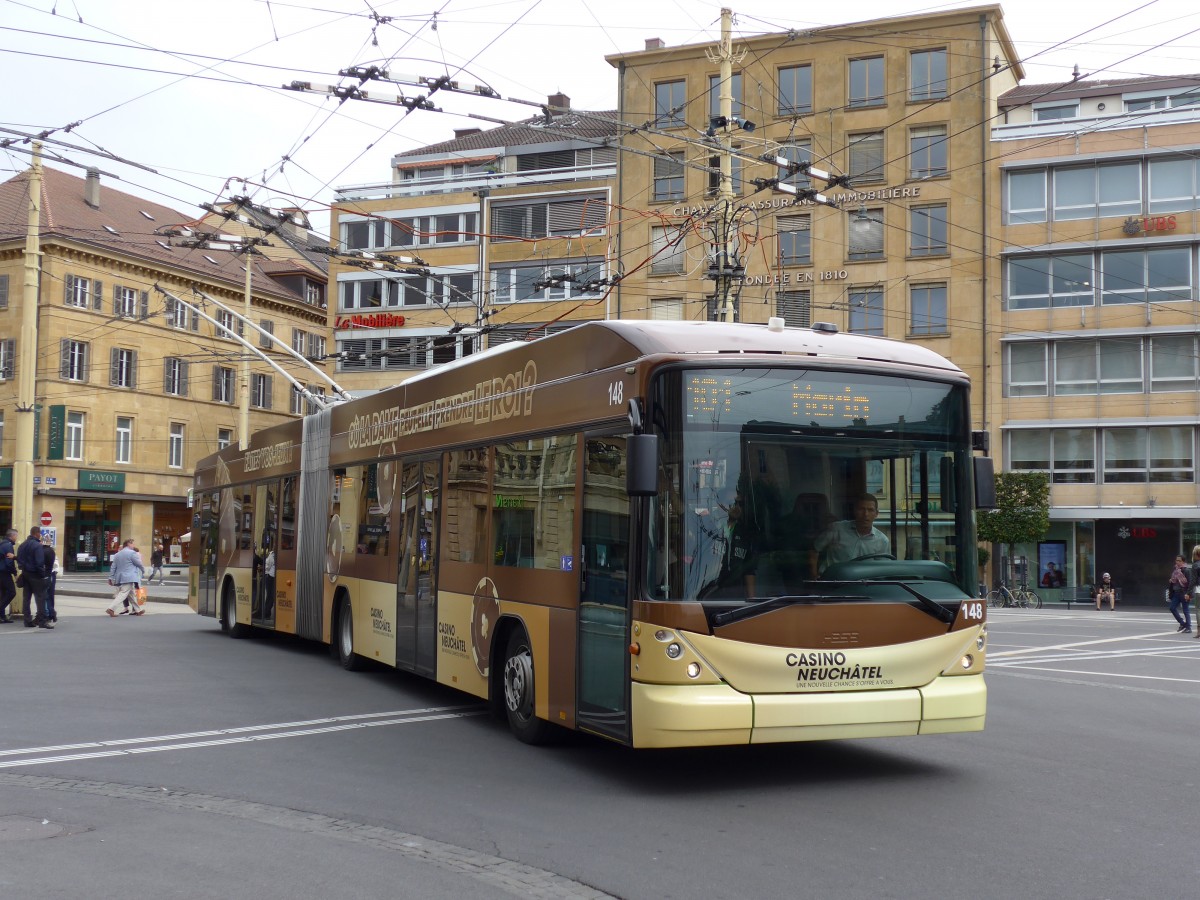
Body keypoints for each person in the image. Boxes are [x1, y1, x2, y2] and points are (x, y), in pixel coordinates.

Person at [811, 493, 891, 575]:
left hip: (864, 583)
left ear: (876, 514)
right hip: (832, 581)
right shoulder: (836, 529)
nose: (865, 514)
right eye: (861, 509)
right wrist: (814, 577)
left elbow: (882, 570)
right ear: (855, 510)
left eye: (870, 510)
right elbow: (814, 550)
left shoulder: (882, 541)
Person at [16, 526, 52, 629]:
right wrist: (42, 575)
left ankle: (27, 621)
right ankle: (42, 621)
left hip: (25, 573)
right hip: (35, 575)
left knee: (26, 598)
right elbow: (39, 563)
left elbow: (19, 560)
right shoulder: (37, 546)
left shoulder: (22, 545)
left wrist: (23, 569)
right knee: (40, 598)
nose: (40, 535)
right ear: (37, 534)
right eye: (39, 533)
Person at [106, 538, 145, 617]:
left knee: (131, 594)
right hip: (129, 576)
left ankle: (138, 610)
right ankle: (111, 609)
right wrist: (143, 570)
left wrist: (111, 577)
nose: (134, 545)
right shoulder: (132, 553)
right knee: (123, 593)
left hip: (120, 577)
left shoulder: (118, 554)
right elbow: (139, 563)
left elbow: (113, 567)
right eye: (133, 544)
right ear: (128, 544)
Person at [0, 528, 17, 623]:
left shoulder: (2, 544)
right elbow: (9, 562)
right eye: (16, 536)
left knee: (3, 594)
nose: (16, 538)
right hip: (4, 573)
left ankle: (2, 616)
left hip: (1, 572)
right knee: (11, 592)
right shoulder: (8, 546)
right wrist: (14, 573)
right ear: (12, 536)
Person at [42, 541, 59, 626]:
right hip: (51, 574)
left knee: (45, 596)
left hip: (46, 574)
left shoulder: (43, 552)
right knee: (49, 595)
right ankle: (52, 613)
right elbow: (56, 565)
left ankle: (48, 614)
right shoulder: (52, 552)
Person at [1186, 545, 1200, 640]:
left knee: (1198, 610)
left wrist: (1188, 593)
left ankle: (1199, 631)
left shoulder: (1196, 565)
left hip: (1199, 590)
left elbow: (1193, 581)